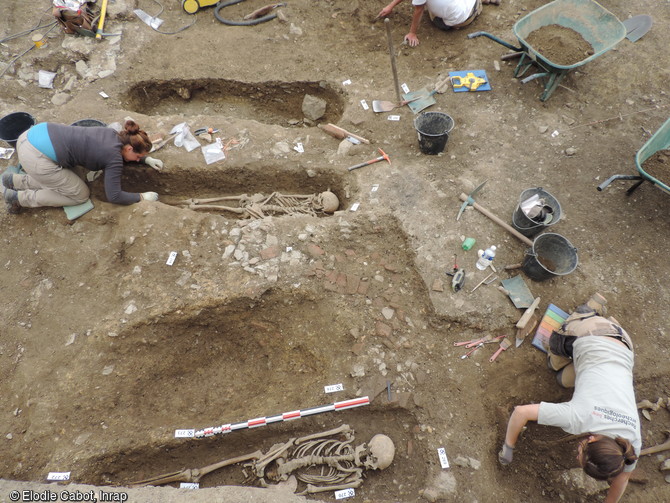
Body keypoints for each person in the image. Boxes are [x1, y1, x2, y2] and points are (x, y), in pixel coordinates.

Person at [499, 294, 641, 503]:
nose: (577, 457)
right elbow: (521, 412)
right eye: (580, 455)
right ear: (590, 439)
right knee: (554, 355)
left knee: (562, 379)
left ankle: (611, 326)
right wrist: (508, 447)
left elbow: (623, 476)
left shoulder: (630, 444)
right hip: (591, 334)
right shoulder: (577, 418)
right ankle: (587, 311)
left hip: (625, 349)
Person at [2, 120, 163, 214]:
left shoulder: (113, 134)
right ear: (129, 148)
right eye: (138, 157)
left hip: (32, 135)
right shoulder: (113, 157)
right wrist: (141, 197)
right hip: (36, 156)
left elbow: (127, 156)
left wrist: (145, 160)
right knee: (80, 194)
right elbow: (114, 196)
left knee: (73, 180)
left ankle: (15, 181)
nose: (137, 160)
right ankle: (19, 199)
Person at [378, 0, 499, 47]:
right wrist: (391, 6)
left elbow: (419, 9)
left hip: (461, 18)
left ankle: (481, 4)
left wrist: (412, 33)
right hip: (454, 10)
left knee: (426, 9)